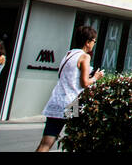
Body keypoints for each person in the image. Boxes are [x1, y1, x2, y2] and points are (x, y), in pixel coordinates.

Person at [37, 24, 103, 152]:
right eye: (94, 41)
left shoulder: (69, 54)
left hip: (56, 100)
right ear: (87, 42)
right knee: (79, 137)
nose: (94, 44)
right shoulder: (85, 56)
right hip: (72, 102)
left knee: (46, 142)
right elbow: (84, 83)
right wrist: (96, 77)